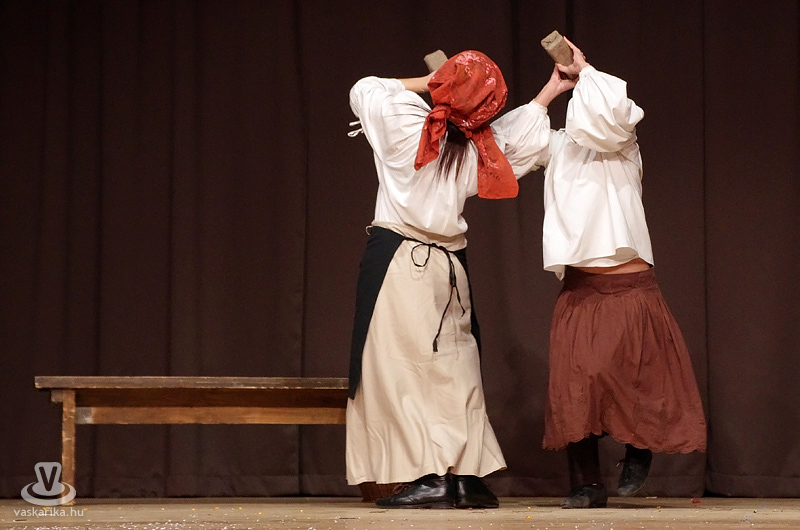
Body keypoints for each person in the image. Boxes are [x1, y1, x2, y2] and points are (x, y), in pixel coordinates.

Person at [345, 50, 551, 509]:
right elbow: (520, 137)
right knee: (456, 368)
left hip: (403, 262)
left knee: (403, 371)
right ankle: (465, 476)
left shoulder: (404, 124)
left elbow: (365, 88)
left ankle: (431, 474)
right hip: (448, 268)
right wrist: (550, 91)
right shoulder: (475, 146)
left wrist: (428, 81)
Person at [526, 37, 707, 508]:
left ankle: (639, 447)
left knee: (637, 378)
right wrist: (550, 91)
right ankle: (588, 484)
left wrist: (585, 70)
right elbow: (510, 147)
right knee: (578, 386)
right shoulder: (557, 147)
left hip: (629, 288)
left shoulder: (622, 144)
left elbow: (610, 112)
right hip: (582, 289)